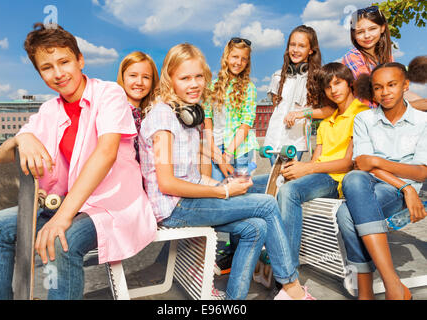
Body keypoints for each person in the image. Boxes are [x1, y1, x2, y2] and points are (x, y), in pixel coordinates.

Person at [0, 23, 157, 300]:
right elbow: (1, 155)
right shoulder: (49, 109)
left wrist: (61, 219)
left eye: (64, 62)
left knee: (62, 241)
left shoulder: (109, 93)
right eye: (47, 67)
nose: (58, 73)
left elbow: (106, 153)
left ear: (80, 60)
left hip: (112, 205)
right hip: (69, 203)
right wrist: (21, 140)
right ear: (39, 73)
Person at [139, 42, 315, 300]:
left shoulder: (185, 116)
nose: (194, 84)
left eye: (199, 76)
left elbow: (193, 175)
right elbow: (167, 183)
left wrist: (221, 185)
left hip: (186, 201)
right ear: (170, 79)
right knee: (266, 204)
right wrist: (223, 191)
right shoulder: (164, 117)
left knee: (255, 227)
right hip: (174, 207)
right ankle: (291, 289)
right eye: (185, 78)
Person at [336, 62, 427, 300]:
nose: (385, 92)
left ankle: (367, 292)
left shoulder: (422, 121)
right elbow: (362, 165)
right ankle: (393, 285)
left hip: (397, 192)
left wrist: (378, 163)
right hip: (378, 185)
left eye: (392, 85)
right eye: (378, 87)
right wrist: (404, 185)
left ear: (405, 85)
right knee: (355, 177)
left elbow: (421, 172)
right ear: (372, 91)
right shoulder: (364, 119)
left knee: (346, 214)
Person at [276, 62, 369, 269]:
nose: (333, 90)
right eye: (328, 86)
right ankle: (265, 251)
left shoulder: (362, 114)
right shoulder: (326, 122)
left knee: (289, 191)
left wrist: (307, 169)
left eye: (338, 83)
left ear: (350, 84)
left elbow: (349, 163)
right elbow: (315, 160)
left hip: (337, 180)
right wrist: (297, 168)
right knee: (265, 182)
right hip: (319, 175)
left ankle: (287, 271)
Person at [266, 25, 334, 161]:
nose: (296, 50)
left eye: (302, 46)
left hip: (295, 143)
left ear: (311, 50)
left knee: (287, 179)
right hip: (272, 140)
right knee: (274, 181)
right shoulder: (277, 76)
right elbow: (277, 108)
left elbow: (330, 111)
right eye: (292, 45)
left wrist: (301, 113)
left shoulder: (318, 79)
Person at [342, 5, 426, 110]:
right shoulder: (352, 58)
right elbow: (371, 91)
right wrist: (413, 106)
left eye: (372, 29)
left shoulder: (387, 57)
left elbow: (398, 90)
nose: (367, 35)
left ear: (382, 28)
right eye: (360, 32)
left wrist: (422, 102)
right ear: (354, 34)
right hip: (366, 115)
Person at [203, 37, 259, 181]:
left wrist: (228, 153)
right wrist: (213, 147)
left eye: (244, 59)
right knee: (219, 189)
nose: (239, 62)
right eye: (235, 57)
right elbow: (207, 117)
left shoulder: (249, 88)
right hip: (217, 145)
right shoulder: (212, 86)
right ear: (226, 57)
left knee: (240, 192)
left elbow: (246, 123)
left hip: (240, 149)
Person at [116, 51, 159, 162]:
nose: (139, 82)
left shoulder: (150, 115)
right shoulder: (117, 112)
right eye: (133, 75)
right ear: (123, 77)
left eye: (146, 77)